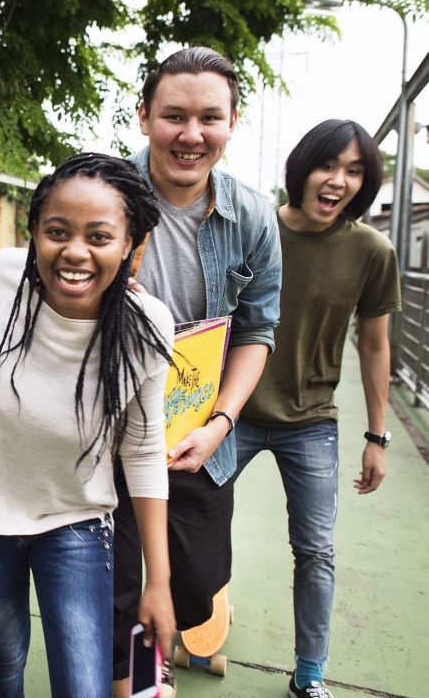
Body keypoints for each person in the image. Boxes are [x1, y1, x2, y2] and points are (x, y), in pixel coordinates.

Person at [0, 153, 176, 697]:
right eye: (56, 232)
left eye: (99, 236)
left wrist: (158, 581)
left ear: (129, 246)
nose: (74, 251)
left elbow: (142, 450)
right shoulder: (3, 276)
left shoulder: (148, 327)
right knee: (3, 660)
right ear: (34, 236)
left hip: (74, 518)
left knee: (85, 685)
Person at [112, 46, 283, 698]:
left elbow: (258, 331)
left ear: (232, 121)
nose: (191, 135)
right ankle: (137, 679)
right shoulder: (105, 191)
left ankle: (167, 638)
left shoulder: (253, 217)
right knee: (116, 585)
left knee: (192, 588)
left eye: (209, 118)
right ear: (144, 116)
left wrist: (219, 423)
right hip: (108, 429)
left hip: (197, 440)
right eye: (173, 116)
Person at [234, 119, 399, 698]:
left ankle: (309, 675)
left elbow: (375, 345)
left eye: (355, 171)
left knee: (316, 550)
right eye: (330, 166)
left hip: (311, 422)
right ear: (303, 168)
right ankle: (168, 640)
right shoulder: (255, 229)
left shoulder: (372, 251)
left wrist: (377, 437)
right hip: (233, 412)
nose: (339, 181)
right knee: (184, 527)